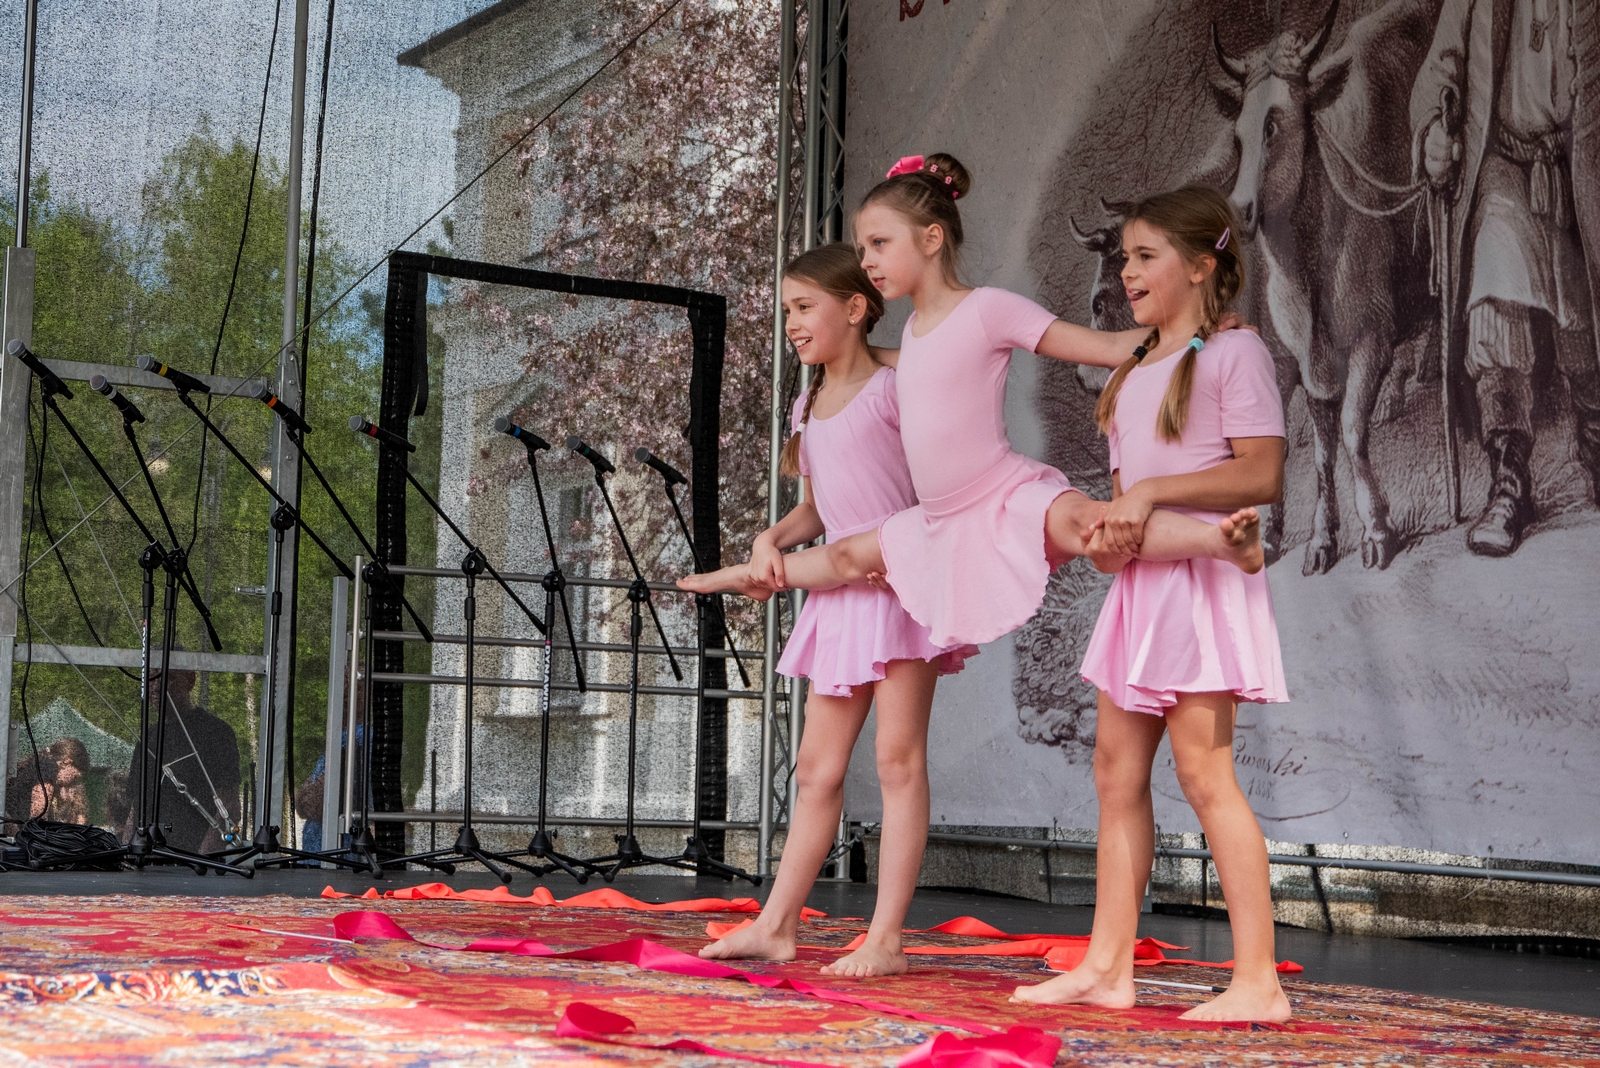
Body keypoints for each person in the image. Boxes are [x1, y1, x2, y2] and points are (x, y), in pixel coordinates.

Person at [681, 153, 1262, 648]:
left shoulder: (988, 309)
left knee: (1090, 522)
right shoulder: (911, 338)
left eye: (879, 244)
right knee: (844, 558)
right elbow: (898, 362)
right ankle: (745, 574)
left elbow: (1109, 347)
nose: (867, 261)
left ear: (931, 239)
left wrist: (1200, 328)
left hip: (1000, 493)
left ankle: (1219, 542)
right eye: (862, 248)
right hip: (939, 518)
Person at [1012, 186, 1290, 1023]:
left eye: (1144, 257)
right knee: (1114, 770)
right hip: (1141, 590)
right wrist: (1108, 535)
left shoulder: (1235, 355)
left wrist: (1154, 493)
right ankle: (1107, 965)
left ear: (1201, 266)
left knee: (1205, 774)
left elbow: (1261, 471)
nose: (1126, 272)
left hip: (1200, 596)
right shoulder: (1131, 371)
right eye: (1124, 258)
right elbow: (1127, 506)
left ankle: (1258, 981)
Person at [699, 244, 975, 978]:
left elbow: (941, 479)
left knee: (897, 761)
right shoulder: (808, 402)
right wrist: (768, 538)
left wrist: (905, 546)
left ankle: (886, 938)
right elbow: (819, 509)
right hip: (838, 600)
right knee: (816, 770)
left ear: (855, 309)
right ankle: (776, 925)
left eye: (804, 307)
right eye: (787, 309)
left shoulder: (895, 387)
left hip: (900, 594)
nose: (792, 322)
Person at [1412, 0, 1600, 556]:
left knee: (1583, 324)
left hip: (1583, 169)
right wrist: (1432, 132)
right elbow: (1441, 67)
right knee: (1494, 304)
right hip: (1504, 168)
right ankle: (1509, 481)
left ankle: (1595, 444)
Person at [124, 662, 242, 853]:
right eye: (151, 678)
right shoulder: (148, 738)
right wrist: (127, 854)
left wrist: (201, 860)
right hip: (148, 857)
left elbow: (229, 807)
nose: (157, 687)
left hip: (194, 858)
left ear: (190, 680)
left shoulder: (216, 733)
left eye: (168, 678)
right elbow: (134, 809)